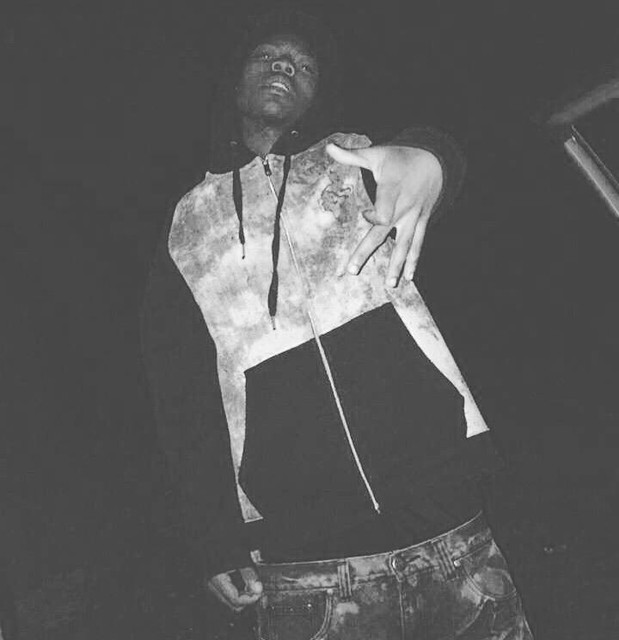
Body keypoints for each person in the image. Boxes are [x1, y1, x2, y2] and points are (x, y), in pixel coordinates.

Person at [141, 9, 533, 639]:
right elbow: (180, 394)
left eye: (303, 65)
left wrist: (432, 159)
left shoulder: (352, 160)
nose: (284, 66)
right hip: (304, 562)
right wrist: (213, 538)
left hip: (447, 522)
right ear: (234, 80)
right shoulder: (186, 222)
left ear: (316, 93)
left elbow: (440, 155)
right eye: (268, 56)